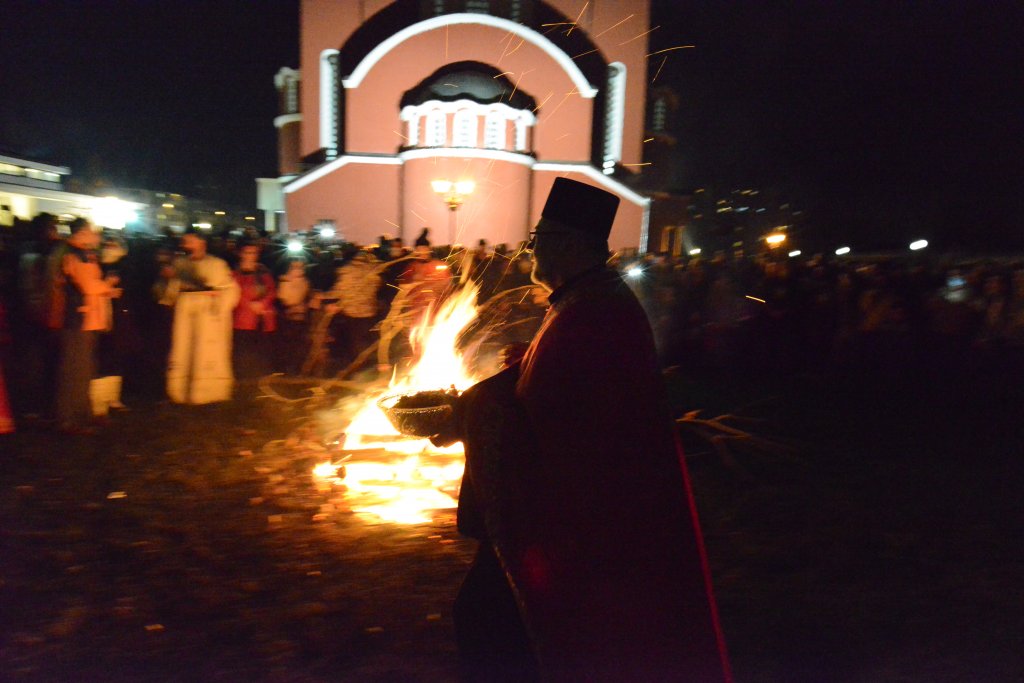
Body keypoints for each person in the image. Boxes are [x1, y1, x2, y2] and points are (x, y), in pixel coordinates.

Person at [433, 178, 731, 681]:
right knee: (489, 617)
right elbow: (553, 385)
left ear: (571, 246)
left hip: (579, 523)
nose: (530, 249)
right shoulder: (584, 300)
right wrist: (511, 374)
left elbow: (564, 421)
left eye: (540, 239)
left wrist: (469, 413)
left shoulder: (593, 315)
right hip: (572, 515)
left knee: (496, 624)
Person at [56, 218, 121, 434]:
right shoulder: (72, 255)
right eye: (92, 232)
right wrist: (108, 287)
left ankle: (83, 413)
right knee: (75, 369)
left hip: (88, 319)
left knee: (85, 369)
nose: (96, 236)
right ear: (82, 233)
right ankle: (70, 419)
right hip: (78, 319)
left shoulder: (83, 254)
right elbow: (87, 286)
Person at [164, 228, 240, 404]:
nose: (187, 245)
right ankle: (181, 391)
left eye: (191, 241)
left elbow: (230, 289)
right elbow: (171, 292)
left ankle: (209, 392)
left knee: (204, 350)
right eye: (185, 242)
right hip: (185, 312)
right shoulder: (180, 264)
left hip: (207, 314)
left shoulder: (217, 264)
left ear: (202, 242)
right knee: (184, 347)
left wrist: (218, 303)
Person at [232, 240, 277, 380]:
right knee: (245, 350)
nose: (251, 256)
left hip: (263, 317)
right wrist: (250, 305)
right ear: (241, 254)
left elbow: (271, 290)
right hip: (243, 319)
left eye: (253, 253)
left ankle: (261, 375)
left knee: (261, 349)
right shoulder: (235, 274)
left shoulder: (263, 272)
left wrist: (263, 304)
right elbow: (234, 293)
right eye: (248, 253)